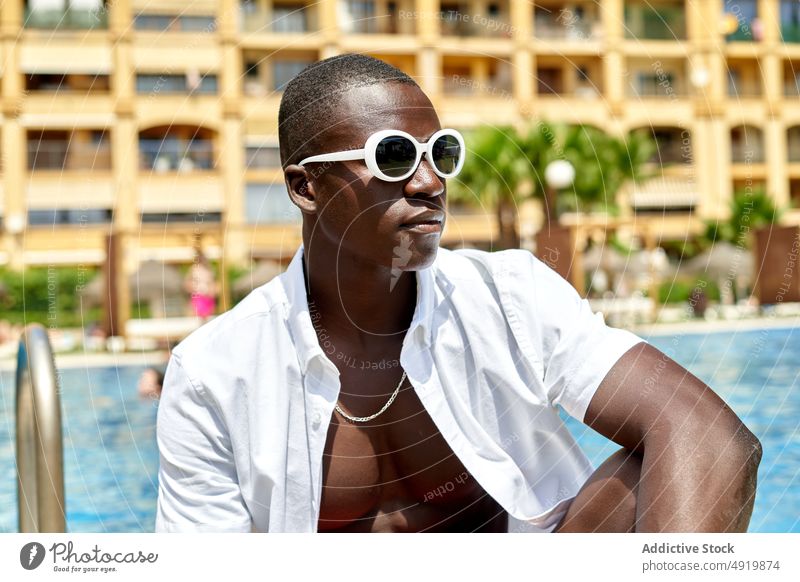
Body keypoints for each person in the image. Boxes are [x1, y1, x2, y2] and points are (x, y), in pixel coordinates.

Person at [155, 54, 761, 533]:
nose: (429, 181)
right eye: (392, 158)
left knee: (670, 456)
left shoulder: (509, 297)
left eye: (440, 153)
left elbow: (713, 436)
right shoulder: (214, 373)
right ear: (305, 186)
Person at [184, 249, 218, 322]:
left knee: (205, 320)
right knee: (199, 319)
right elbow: (187, 283)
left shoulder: (208, 270)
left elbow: (212, 285)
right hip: (199, 296)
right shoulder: (195, 269)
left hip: (206, 297)